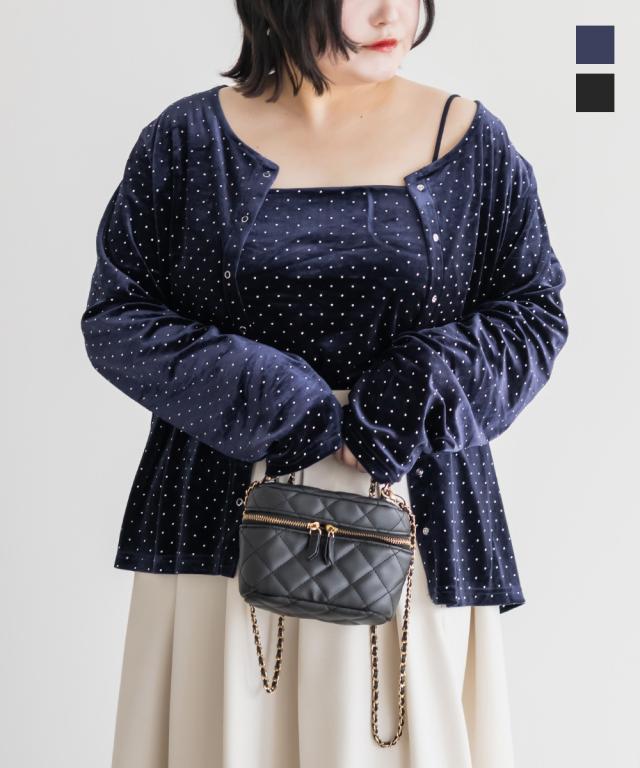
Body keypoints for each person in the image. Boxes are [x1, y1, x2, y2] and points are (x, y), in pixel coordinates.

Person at [80, 1, 569, 766]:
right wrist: (276, 400)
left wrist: (412, 395)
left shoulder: (469, 140)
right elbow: (119, 315)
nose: (392, 13)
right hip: (220, 522)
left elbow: (531, 314)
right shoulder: (187, 139)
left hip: (413, 520)